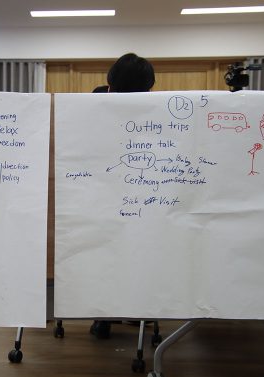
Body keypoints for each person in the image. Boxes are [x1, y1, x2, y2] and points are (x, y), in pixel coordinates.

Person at [89, 53, 156, 339]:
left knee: (128, 252)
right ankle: (107, 313)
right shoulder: (95, 101)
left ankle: (124, 311)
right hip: (105, 187)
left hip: (135, 187)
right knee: (110, 252)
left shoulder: (151, 106)